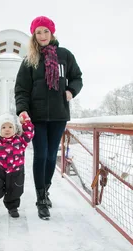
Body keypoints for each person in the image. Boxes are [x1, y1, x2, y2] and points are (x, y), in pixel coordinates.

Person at [14, 16, 83, 220]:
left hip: (60, 114)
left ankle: (46, 189)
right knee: (41, 155)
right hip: (37, 115)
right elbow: (21, 89)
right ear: (34, 36)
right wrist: (22, 110)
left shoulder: (65, 56)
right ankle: (41, 198)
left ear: (51, 33)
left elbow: (77, 77)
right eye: (38, 32)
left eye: (45, 31)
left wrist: (71, 90)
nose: (42, 36)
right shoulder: (30, 60)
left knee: (52, 156)